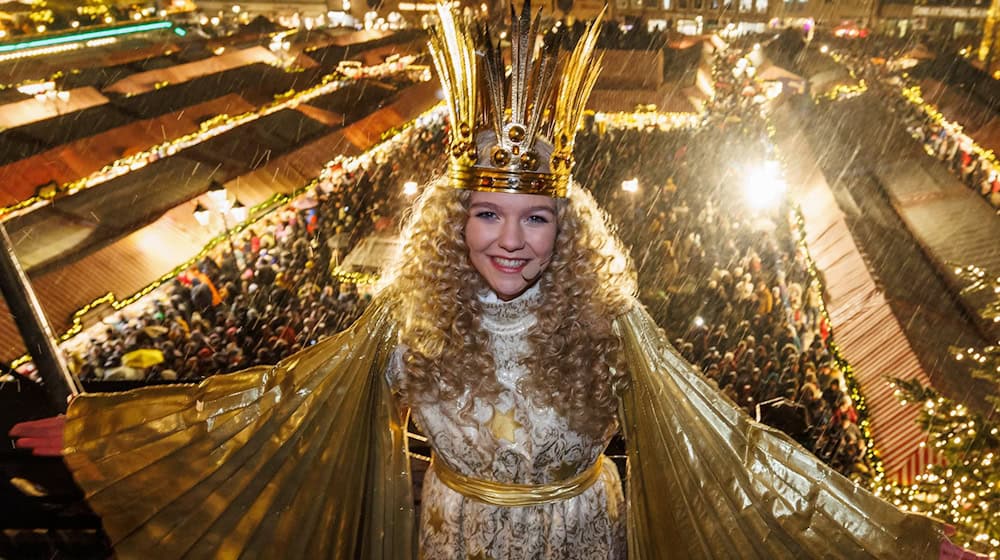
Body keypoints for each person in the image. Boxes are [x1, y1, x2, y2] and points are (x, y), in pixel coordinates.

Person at [8, 4, 984, 559]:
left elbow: (727, 447)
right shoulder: (406, 322)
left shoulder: (611, 318)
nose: (508, 239)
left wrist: (882, 536)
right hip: (452, 538)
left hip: (584, 540)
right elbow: (278, 405)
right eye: (486, 212)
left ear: (566, 224)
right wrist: (105, 430)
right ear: (453, 216)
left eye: (533, 216)